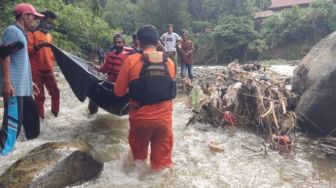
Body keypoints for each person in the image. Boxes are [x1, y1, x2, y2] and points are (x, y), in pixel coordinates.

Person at [115, 25, 177, 170]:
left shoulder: (131, 60)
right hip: (164, 122)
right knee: (162, 167)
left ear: (139, 42)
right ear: (157, 42)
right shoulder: (170, 62)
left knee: (138, 162)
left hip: (140, 120)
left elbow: (118, 92)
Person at [0, 3, 44, 155]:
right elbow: (4, 55)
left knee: (32, 116)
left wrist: (29, 81)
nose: (35, 21)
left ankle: (29, 152)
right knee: (13, 127)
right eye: (34, 17)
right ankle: (3, 156)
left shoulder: (21, 34)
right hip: (14, 89)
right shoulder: (13, 31)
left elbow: (19, 61)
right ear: (24, 16)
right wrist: (6, 82)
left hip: (22, 87)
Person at [88, 34, 133, 114]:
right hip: (109, 83)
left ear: (124, 43)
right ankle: (91, 115)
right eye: (115, 42)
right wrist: (93, 65)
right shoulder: (110, 55)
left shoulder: (128, 57)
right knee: (93, 95)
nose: (117, 44)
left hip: (119, 86)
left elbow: (130, 75)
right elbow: (103, 69)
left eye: (119, 42)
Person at [28, 10, 60, 119]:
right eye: (48, 21)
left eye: (51, 23)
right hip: (36, 70)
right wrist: (39, 46)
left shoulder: (49, 36)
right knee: (40, 96)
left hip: (48, 69)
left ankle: (55, 115)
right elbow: (28, 51)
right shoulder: (32, 33)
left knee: (56, 92)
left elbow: (50, 53)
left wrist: (57, 58)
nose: (49, 24)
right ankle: (40, 119)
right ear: (41, 20)